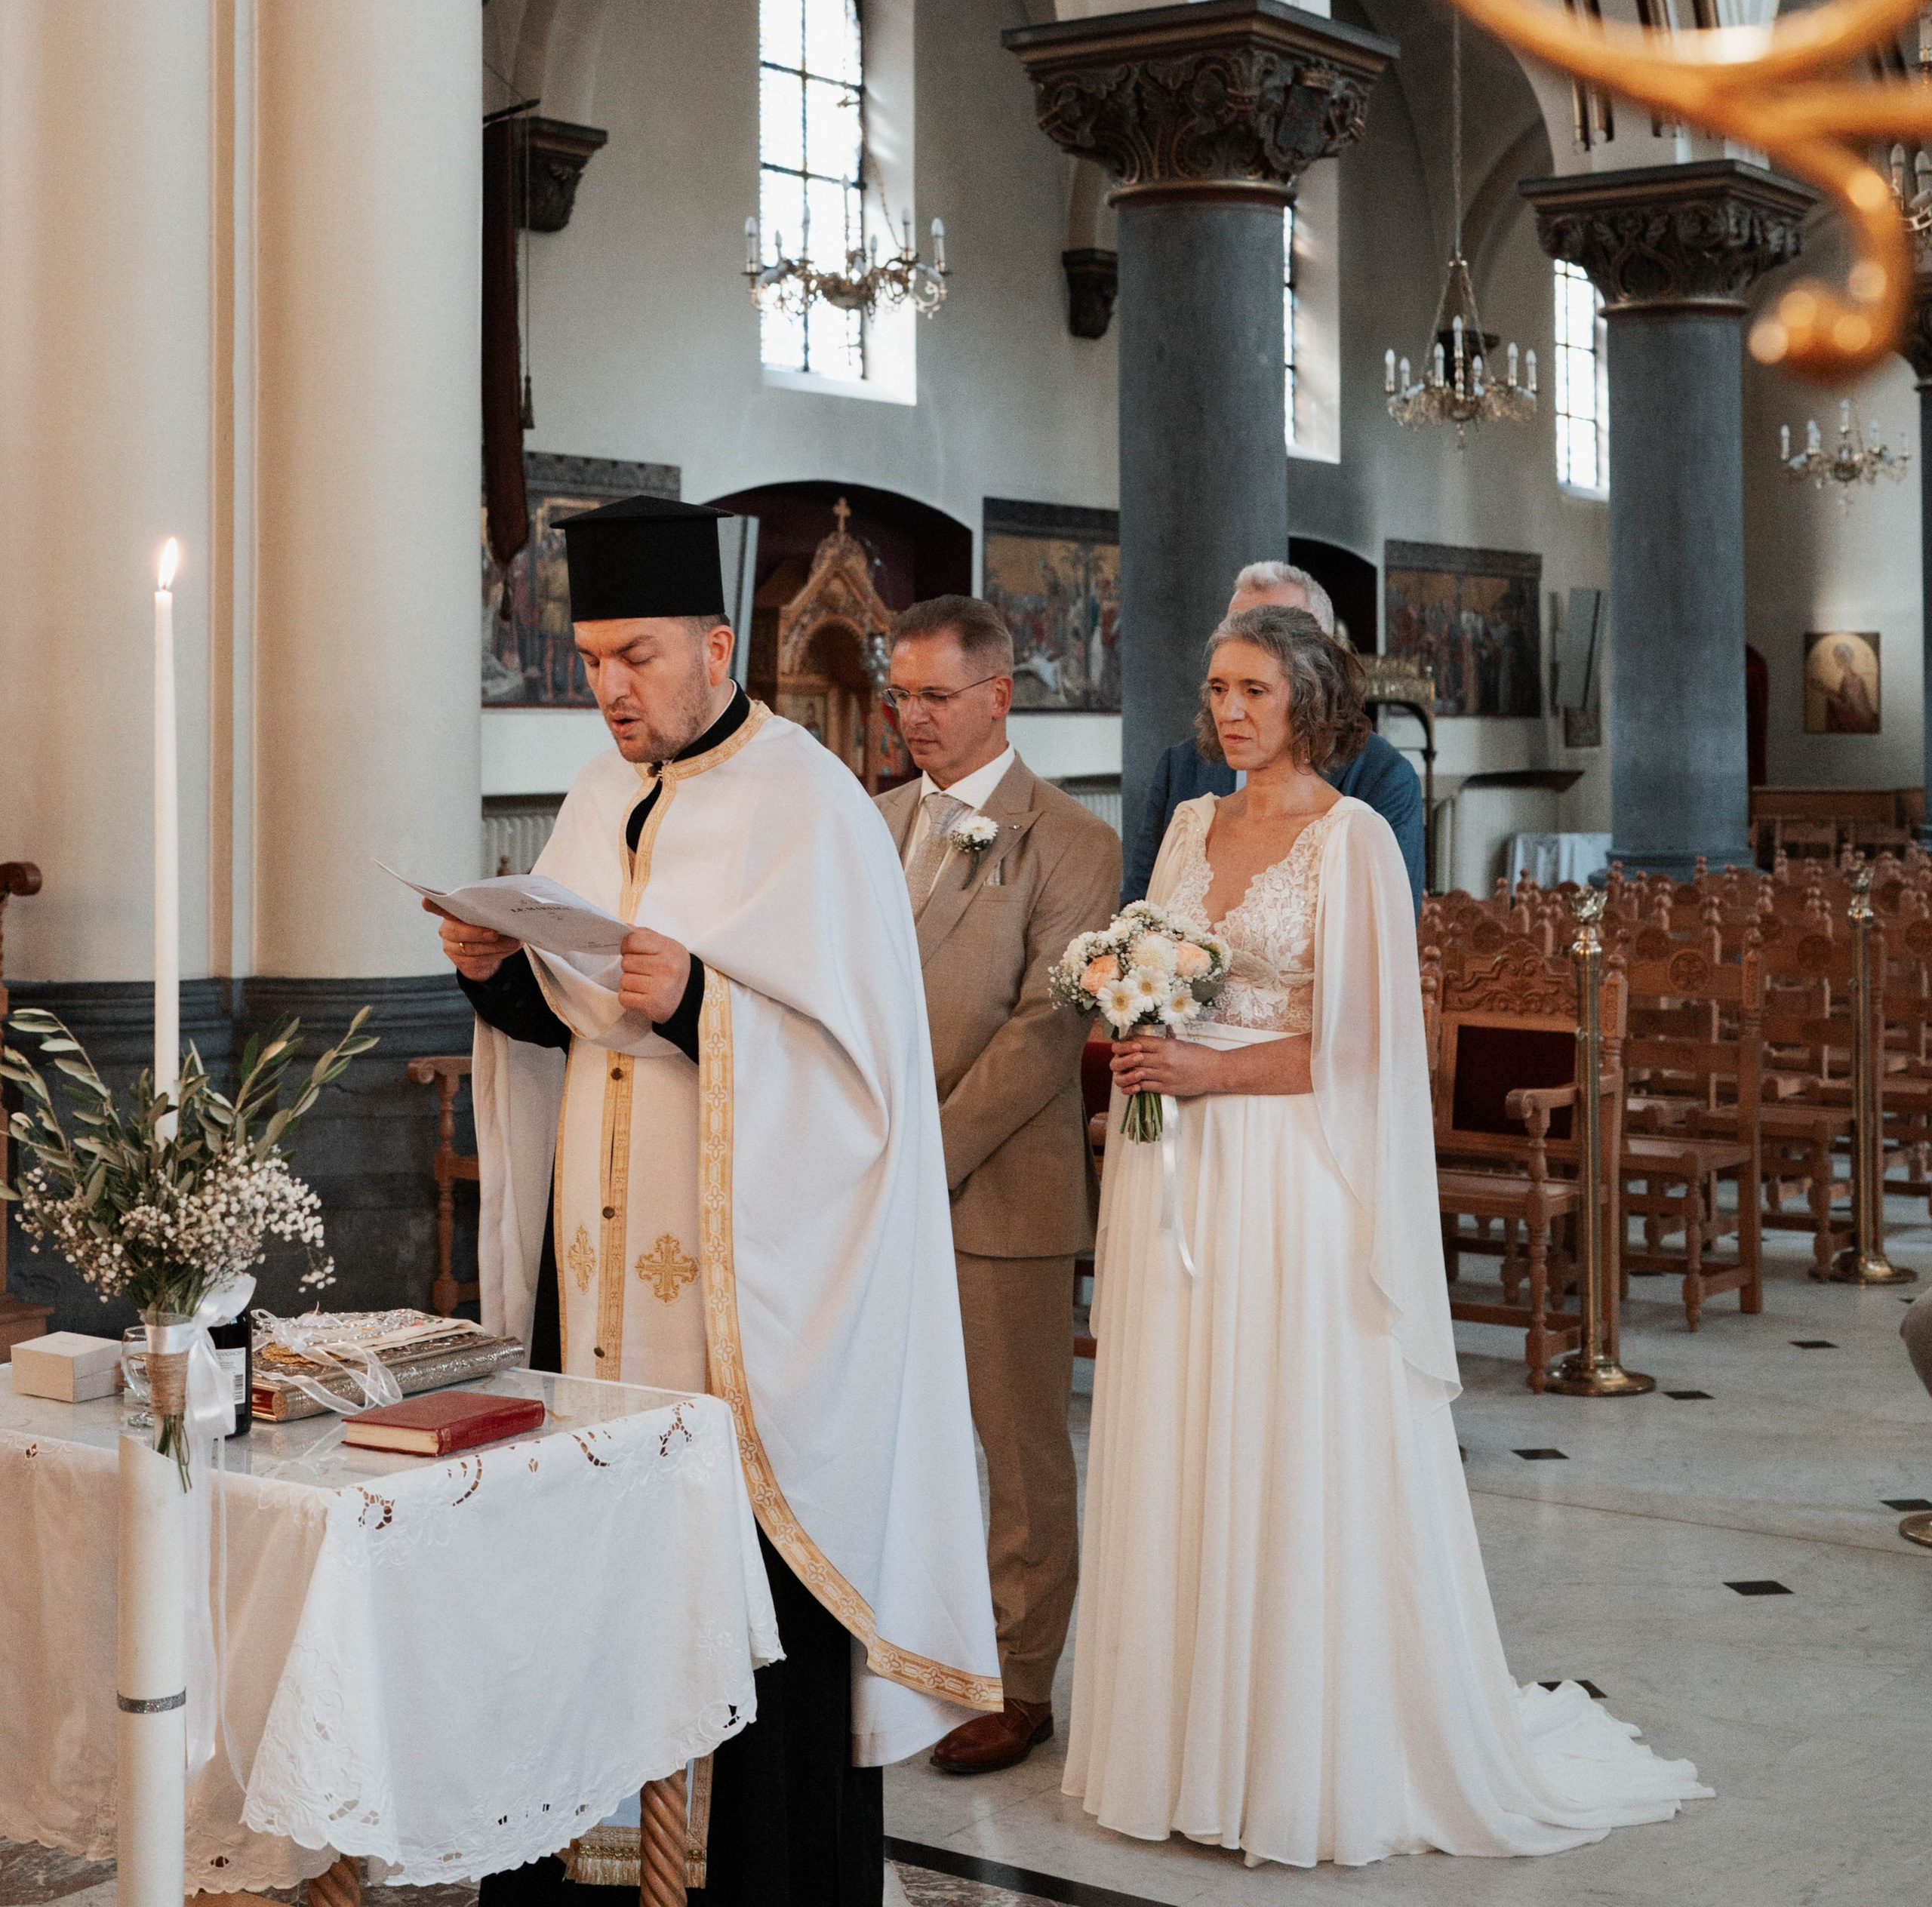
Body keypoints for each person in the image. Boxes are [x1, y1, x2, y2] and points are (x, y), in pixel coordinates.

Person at [1064, 604, 1708, 1869]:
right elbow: (1154, 965)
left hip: (1285, 1173)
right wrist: (1138, 1038)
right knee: (1177, 1429)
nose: (1229, 711)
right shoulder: (1189, 826)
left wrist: (1206, 1069)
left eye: (1252, 688)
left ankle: (1296, 1751)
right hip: (1174, 1164)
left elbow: (1369, 1043)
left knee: (1275, 1433)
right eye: (1216, 688)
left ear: (1309, 699)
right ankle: (1178, 1741)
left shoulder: (1354, 840)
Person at [436, 499, 998, 1907]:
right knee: (581, 1588)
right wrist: (497, 972)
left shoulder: (809, 803)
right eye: (589, 661)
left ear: (715, 644)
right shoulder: (588, 799)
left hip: (753, 1328)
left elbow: (865, 1085)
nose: (609, 690)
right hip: (597, 1295)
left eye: (635, 657)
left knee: (748, 1618)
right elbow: (569, 1025)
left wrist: (702, 1004)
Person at [872, 595, 1121, 1776]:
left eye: (934, 694)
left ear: (998, 696)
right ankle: (903, 1652)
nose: (911, 716)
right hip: (867, 1189)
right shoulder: (870, 825)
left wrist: (927, 1148)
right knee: (887, 1435)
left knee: (1016, 1451)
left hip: (996, 1188)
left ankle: (1022, 1684)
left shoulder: (1071, 841)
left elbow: (1044, 1029)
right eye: (900, 694)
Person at [1123, 561, 1425, 908]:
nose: (1230, 711)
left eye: (1273, 630)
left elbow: (1385, 930)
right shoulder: (1182, 769)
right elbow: (1139, 910)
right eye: (1237, 628)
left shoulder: (1383, 778)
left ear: (1317, 668)